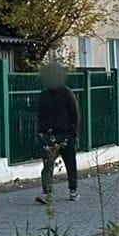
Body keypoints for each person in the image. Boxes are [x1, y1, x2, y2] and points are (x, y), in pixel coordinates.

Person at [35, 63, 80, 204]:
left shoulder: (54, 94)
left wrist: (74, 132)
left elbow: (75, 114)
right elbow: (75, 114)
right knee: (59, 164)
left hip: (59, 135)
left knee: (54, 164)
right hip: (58, 135)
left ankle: (67, 191)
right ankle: (65, 191)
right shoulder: (63, 93)